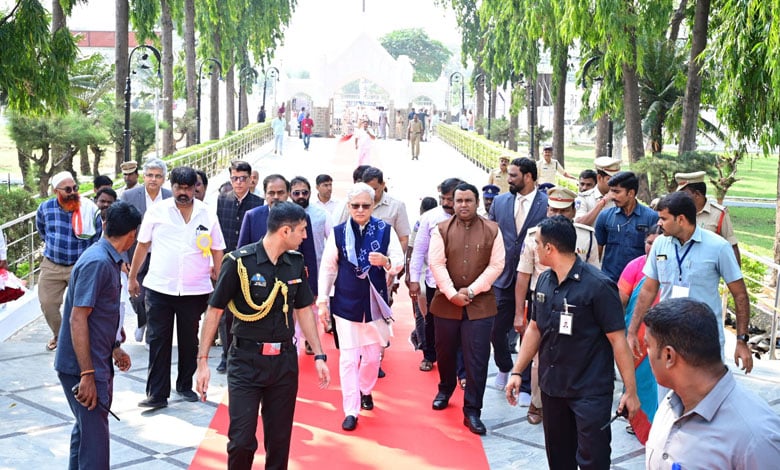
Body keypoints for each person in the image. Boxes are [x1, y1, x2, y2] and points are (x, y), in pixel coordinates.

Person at [196, 201, 330, 469]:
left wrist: (319, 354)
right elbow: (215, 311)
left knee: (279, 441)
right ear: (284, 231)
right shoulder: (239, 263)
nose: (305, 236)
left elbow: (304, 309)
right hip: (246, 361)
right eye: (302, 231)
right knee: (241, 441)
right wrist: (202, 362)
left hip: (283, 363)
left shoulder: (295, 263)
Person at [505, 216, 640, 470]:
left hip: (589, 392)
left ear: (549, 248)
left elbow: (618, 341)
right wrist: (516, 371)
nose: (534, 247)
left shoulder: (599, 286)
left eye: (537, 243)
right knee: (559, 459)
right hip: (553, 389)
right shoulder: (544, 280)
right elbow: (534, 327)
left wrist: (630, 392)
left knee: (593, 461)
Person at [128, 166, 226, 409]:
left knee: (188, 340)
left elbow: (217, 248)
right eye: (178, 188)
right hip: (160, 287)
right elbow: (142, 245)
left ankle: (184, 385)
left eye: (188, 188)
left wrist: (220, 277)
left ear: (196, 188)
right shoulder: (157, 212)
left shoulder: (206, 214)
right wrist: (132, 277)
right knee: (158, 339)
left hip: (194, 290)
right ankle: (157, 394)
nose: (183, 192)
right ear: (171, 187)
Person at [54, 201, 142, 469]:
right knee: (95, 444)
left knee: (85, 434)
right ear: (132, 235)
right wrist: (87, 375)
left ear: (105, 225)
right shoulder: (98, 262)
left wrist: (115, 345)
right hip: (84, 366)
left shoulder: (107, 259)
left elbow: (97, 315)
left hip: (95, 360)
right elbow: (77, 318)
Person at [643, 298, 780, 469]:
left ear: (669, 356)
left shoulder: (757, 439)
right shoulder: (671, 403)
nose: (644, 353)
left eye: (647, 345)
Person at [626, 191, 753, 375]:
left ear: (681, 219)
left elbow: (740, 294)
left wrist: (741, 340)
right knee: (666, 400)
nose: (659, 223)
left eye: (663, 218)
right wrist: (632, 332)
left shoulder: (718, 247)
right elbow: (648, 290)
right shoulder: (660, 244)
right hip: (667, 337)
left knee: (704, 399)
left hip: (703, 340)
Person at [317, 183, 403, 431]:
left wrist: (387, 262)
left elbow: (398, 259)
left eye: (366, 205)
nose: (360, 210)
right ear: (348, 206)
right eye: (355, 206)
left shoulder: (385, 230)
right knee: (348, 358)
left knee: (372, 357)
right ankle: (351, 409)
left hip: (374, 303)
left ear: (373, 206)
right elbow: (328, 267)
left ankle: (366, 389)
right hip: (345, 302)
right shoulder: (339, 231)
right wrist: (323, 299)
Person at [513, 187, 600, 425]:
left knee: (574, 355)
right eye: (552, 209)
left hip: (577, 305)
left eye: (563, 210)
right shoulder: (534, 236)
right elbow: (523, 275)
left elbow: (595, 273)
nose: (556, 214)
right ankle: (538, 402)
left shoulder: (587, 236)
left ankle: (571, 401)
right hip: (542, 302)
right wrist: (518, 313)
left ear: (573, 210)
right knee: (540, 357)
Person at [428, 183, 505, 435]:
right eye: (458, 200)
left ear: (477, 202)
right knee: (446, 352)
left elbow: (497, 266)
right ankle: (445, 387)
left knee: (477, 359)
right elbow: (436, 264)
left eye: (468, 200)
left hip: (480, 303)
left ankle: (472, 410)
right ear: (452, 202)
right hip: (446, 302)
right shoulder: (440, 229)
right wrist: (452, 293)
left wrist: (471, 291)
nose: (463, 205)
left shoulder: (493, 230)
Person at [488, 157, 548, 395]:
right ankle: (504, 366)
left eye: (513, 175)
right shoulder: (500, 201)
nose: (508, 179)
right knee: (495, 329)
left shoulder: (547, 204)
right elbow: (491, 234)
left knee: (531, 331)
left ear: (529, 177)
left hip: (537, 278)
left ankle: (523, 382)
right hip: (503, 277)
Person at [36, 171, 102, 351]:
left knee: (80, 308)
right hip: (52, 265)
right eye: (67, 189)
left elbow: (98, 236)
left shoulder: (88, 208)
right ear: (56, 191)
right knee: (47, 304)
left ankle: (78, 341)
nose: (73, 192)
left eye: (75, 188)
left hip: (80, 266)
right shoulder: (45, 208)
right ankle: (60, 335)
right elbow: (42, 230)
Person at [408, 178, 462, 372]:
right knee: (432, 320)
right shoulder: (429, 218)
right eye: (443, 198)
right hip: (434, 281)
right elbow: (418, 250)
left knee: (459, 323)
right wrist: (414, 279)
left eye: (451, 199)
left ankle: (458, 363)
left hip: (461, 281)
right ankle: (429, 355)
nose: (447, 203)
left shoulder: (470, 217)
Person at [215, 161, 264, 373]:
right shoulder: (222, 200)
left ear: (250, 179)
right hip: (226, 264)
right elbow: (215, 235)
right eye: (234, 178)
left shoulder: (258, 203)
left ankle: (245, 353)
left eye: (243, 178)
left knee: (248, 310)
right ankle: (226, 354)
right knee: (224, 312)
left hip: (250, 265)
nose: (238, 183)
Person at [237, 174, 319, 298]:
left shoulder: (301, 217)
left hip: (290, 285)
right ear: (264, 194)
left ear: (288, 194)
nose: (276, 197)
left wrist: (312, 290)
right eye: (271, 193)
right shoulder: (252, 216)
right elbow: (241, 253)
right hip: (257, 284)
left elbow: (309, 255)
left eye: (280, 192)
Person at [121, 158, 173, 344]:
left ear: (164, 179)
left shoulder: (170, 197)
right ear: (143, 176)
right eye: (150, 175)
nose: (153, 179)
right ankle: (143, 321)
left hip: (162, 255)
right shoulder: (129, 196)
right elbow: (120, 227)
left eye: (158, 176)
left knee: (157, 296)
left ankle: (152, 332)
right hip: (136, 253)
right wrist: (122, 258)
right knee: (137, 295)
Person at [618, 225, 663, 434]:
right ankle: (637, 420)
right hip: (636, 335)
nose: (652, 248)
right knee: (637, 379)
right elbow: (621, 300)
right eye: (649, 243)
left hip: (663, 337)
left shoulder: (672, 268)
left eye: (657, 243)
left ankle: (659, 424)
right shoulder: (635, 266)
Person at [594, 171, 658, 282]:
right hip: (610, 280)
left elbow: (656, 253)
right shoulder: (605, 216)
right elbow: (596, 252)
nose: (612, 196)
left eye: (617, 192)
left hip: (640, 281)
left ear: (631, 193)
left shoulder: (652, 217)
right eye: (611, 191)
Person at [675, 170, 741, 264]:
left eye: (684, 194)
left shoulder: (718, 214)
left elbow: (732, 245)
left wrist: (735, 275)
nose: (680, 198)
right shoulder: (677, 213)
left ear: (697, 194)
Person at [575, 156, 622, 226]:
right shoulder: (584, 197)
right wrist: (602, 203)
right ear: (599, 178)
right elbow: (579, 224)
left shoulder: (621, 198)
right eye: (610, 180)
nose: (615, 184)